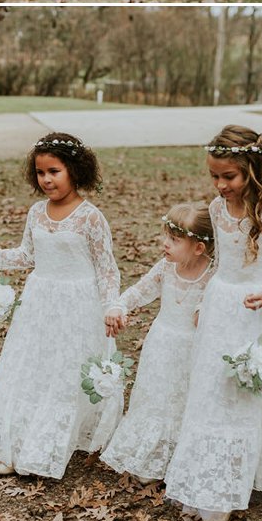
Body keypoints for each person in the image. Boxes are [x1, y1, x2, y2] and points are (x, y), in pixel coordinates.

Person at [164, 125, 262, 521]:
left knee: (245, 392)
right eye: (214, 176)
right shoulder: (216, 208)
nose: (221, 185)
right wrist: (202, 303)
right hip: (222, 305)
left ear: (252, 170)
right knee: (213, 387)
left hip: (257, 310)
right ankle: (210, 476)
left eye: (229, 176)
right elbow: (217, 263)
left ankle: (241, 478)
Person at [0, 131, 125, 479]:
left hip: (79, 306)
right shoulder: (37, 213)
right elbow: (27, 255)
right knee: (30, 371)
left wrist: (112, 306)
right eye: (41, 173)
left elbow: (107, 270)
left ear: (74, 170)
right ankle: (14, 445)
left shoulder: (90, 218)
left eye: (54, 171)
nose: (47, 180)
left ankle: (47, 448)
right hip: (40, 304)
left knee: (64, 374)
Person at [100, 201, 214, 483]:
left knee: (184, 399)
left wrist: (206, 310)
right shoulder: (165, 267)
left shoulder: (212, 275)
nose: (165, 244)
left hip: (193, 348)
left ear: (198, 247)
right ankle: (150, 456)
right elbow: (139, 291)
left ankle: (181, 455)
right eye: (166, 236)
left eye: (174, 240)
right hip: (161, 343)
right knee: (157, 397)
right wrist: (118, 306)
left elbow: (213, 310)